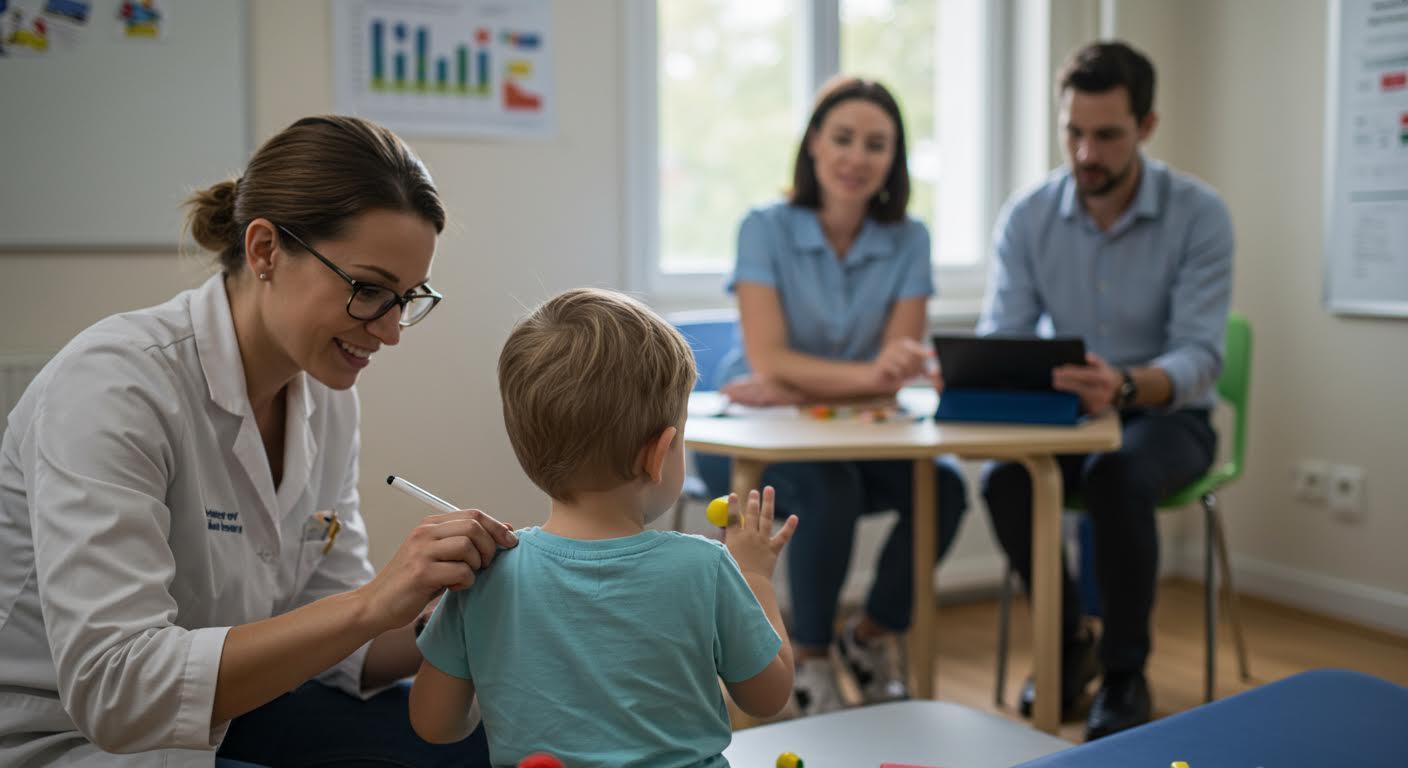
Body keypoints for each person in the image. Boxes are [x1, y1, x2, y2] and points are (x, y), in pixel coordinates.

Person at [0, 115, 517, 767]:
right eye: (368, 290)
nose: (390, 332)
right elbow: (119, 689)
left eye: (407, 298)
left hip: (232, 715)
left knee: (492, 744)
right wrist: (370, 604)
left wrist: (456, 610)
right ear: (266, 249)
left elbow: (335, 637)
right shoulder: (114, 385)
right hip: (72, 740)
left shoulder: (326, 396)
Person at [408, 288, 797, 766]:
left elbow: (435, 724)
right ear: (659, 455)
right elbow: (767, 696)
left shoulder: (486, 574)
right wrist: (755, 577)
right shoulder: (704, 567)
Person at [978, 41, 1234, 740]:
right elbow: (1005, 334)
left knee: (1117, 474)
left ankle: (1124, 672)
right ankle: (1068, 645)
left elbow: (1201, 355)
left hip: (1168, 416)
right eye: (1074, 132)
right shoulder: (1028, 217)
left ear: (1146, 127)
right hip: (1066, 416)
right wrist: (984, 369)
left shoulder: (1199, 214)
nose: (1087, 153)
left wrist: (1123, 384)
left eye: (1108, 135)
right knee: (1005, 482)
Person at [697, 76, 969, 717]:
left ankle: (867, 637)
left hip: (852, 435)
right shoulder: (762, 227)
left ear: (894, 159)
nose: (856, 157)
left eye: (876, 144)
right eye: (842, 138)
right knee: (830, 489)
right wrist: (864, 375)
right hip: (748, 440)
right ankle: (810, 660)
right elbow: (770, 360)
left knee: (946, 489)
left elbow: (892, 371)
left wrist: (797, 381)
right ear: (814, 143)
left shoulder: (911, 238)